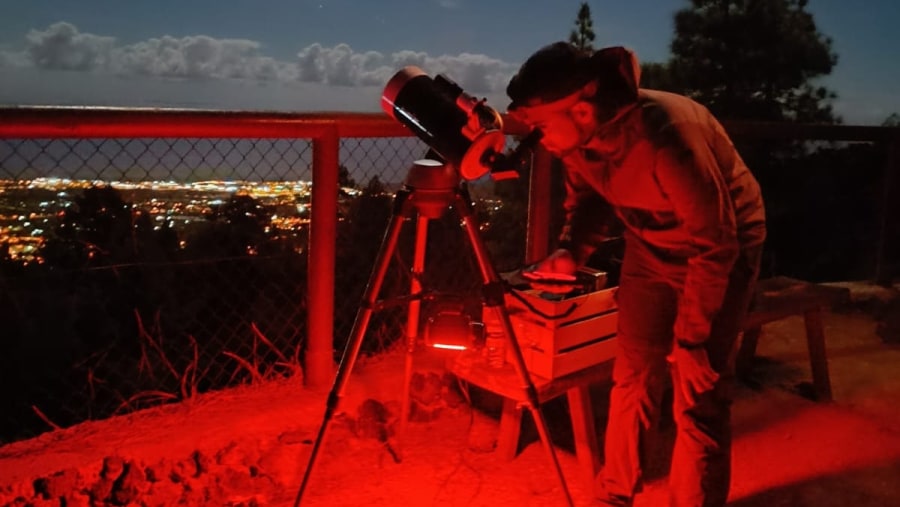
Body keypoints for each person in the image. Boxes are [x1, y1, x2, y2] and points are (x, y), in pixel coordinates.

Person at [506, 41, 767, 507]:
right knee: (633, 376)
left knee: (698, 390)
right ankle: (614, 495)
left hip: (723, 248)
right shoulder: (576, 144)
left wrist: (692, 339)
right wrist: (570, 251)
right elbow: (587, 202)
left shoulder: (665, 135)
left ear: (582, 111)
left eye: (541, 124)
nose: (538, 137)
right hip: (650, 246)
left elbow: (716, 242)